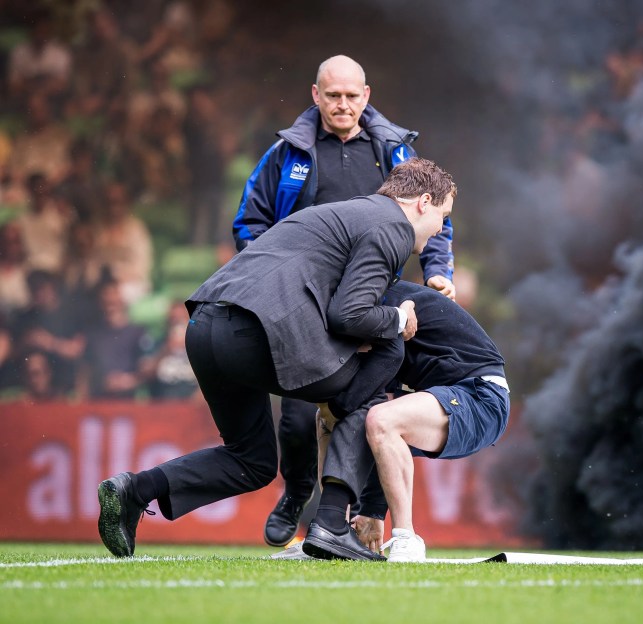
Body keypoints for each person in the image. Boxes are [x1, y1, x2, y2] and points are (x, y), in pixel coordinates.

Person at [96, 157, 455, 558]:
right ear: (424, 201)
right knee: (375, 381)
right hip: (255, 331)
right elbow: (350, 314)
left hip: (205, 326)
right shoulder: (392, 227)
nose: (441, 229)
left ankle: (134, 490)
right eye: (443, 216)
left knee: (251, 461)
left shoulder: (345, 212)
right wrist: (397, 317)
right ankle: (334, 523)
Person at [233, 54, 456, 548]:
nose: (343, 104)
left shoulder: (396, 152)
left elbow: (433, 212)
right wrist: (269, 279)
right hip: (304, 300)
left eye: (352, 96)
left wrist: (438, 272)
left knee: (383, 406)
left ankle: (369, 516)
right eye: (333, 95)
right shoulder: (287, 154)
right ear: (316, 96)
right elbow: (250, 223)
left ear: (367, 96)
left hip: (377, 297)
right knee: (296, 411)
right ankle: (298, 493)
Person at [295, 280, 509, 562]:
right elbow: (366, 419)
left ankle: (407, 538)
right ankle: (332, 533)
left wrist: (337, 406)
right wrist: (371, 512)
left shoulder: (365, 305)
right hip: (447, 397)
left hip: (482, 397)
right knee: (329, 418)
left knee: (379, 419)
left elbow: (378, 416)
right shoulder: (354, 305)